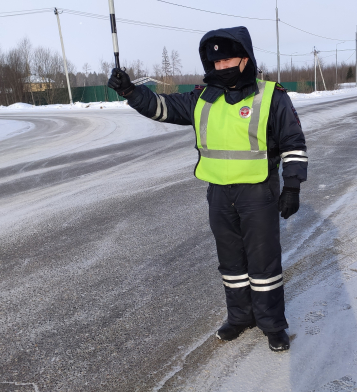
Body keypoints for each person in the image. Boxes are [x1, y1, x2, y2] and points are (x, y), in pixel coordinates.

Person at [107, 26, 307, 352]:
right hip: (218, 194)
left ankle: (272, 324)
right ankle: (240, 317)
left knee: (264, 264)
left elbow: (293, 143)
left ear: (246, 59)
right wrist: (130, 91)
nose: (223, 67)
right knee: (231, 264)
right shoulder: (202, 98)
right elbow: (161, 106)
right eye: (217, 62)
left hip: (258, 192)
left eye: (230, 60)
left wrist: (293, 186)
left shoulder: (271, 95)